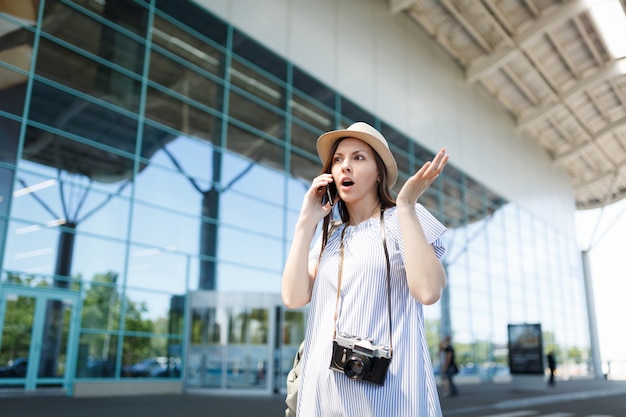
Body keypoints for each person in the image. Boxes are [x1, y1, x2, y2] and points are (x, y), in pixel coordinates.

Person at [282, 122, 449, 416]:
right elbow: (293, 297)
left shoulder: (403, 218)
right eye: (338, 159)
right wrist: (305, 223)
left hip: (389, 393)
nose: (345, 166)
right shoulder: (329, 237)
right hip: (323, 393)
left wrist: (408, 206)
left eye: (358, 158)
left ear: (378, 173)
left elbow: (428, 290)